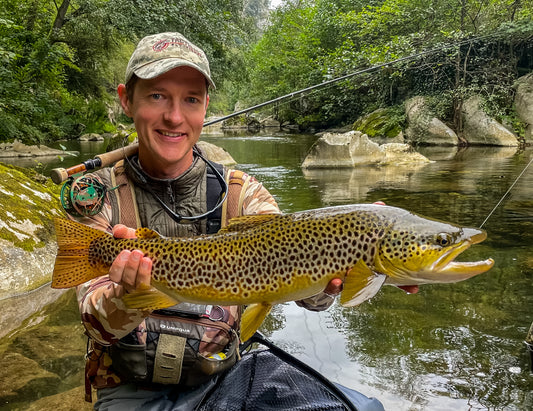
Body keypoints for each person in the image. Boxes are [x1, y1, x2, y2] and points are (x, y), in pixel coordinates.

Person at [68, 32, 343, 410]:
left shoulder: (242, 195)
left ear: (205, 106)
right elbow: (93, 322)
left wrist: (354, 258)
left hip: (223, 379)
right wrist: (129, 296)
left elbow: (309, 296)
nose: (175, 116)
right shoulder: (95, 197)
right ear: (125, 100)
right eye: (157, 95)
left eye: (191, 100)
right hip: (129, 389)